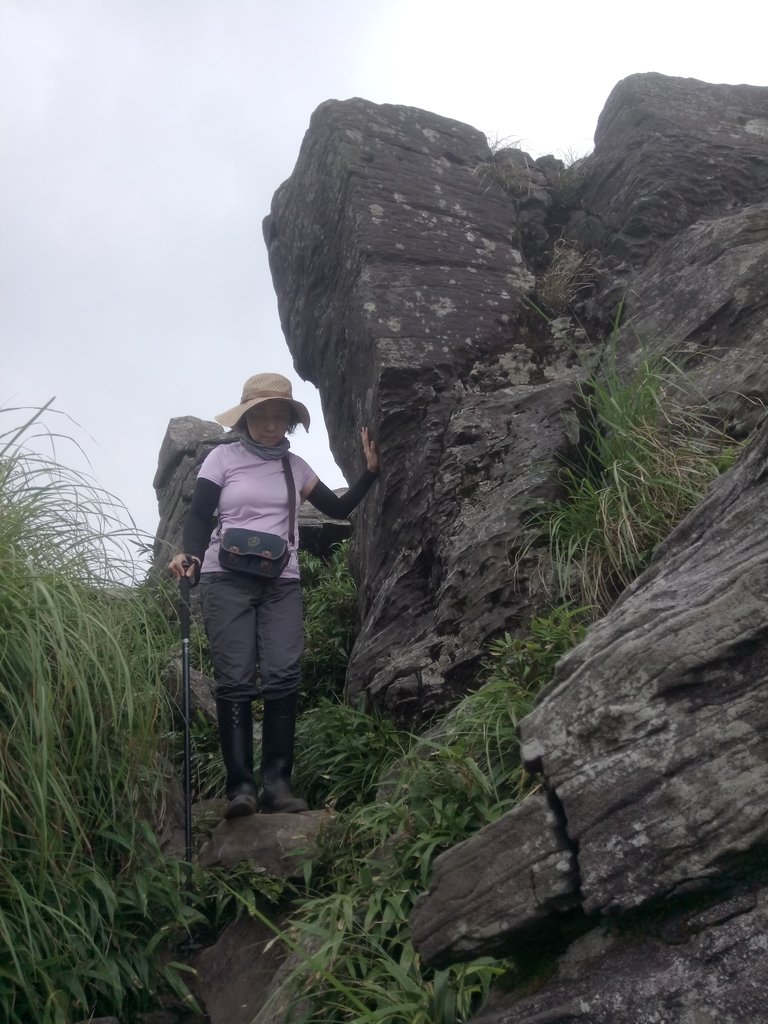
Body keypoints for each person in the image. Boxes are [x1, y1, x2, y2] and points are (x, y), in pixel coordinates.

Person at [168, 372, 379, 818]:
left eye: (278, 417)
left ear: (288, 421)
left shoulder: (296, 467)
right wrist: (188, 554)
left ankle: (278, 786)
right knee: (236, 679)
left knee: (284, 675)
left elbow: (337, 509)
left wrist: (370, 474)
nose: (269, 425)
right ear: (245, 418)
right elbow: (199, 515)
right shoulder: (222, 460)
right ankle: (241, 787)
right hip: (225, 578)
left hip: (281, 581)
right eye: (260, 416)